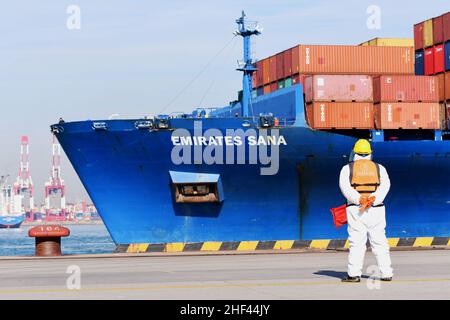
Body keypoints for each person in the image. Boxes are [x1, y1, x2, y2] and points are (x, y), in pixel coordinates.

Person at [339, 139, 393, 283]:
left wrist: (359, 199)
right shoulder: (379, 168)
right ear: (370, 153)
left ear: (354, 152)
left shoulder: (347, 169)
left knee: (357, 242)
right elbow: (385, 186)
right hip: (376, 210)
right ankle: (386, 273)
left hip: (356, 210)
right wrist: (373, 199)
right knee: (380, 241)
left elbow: (345, 188)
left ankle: (354, 274)